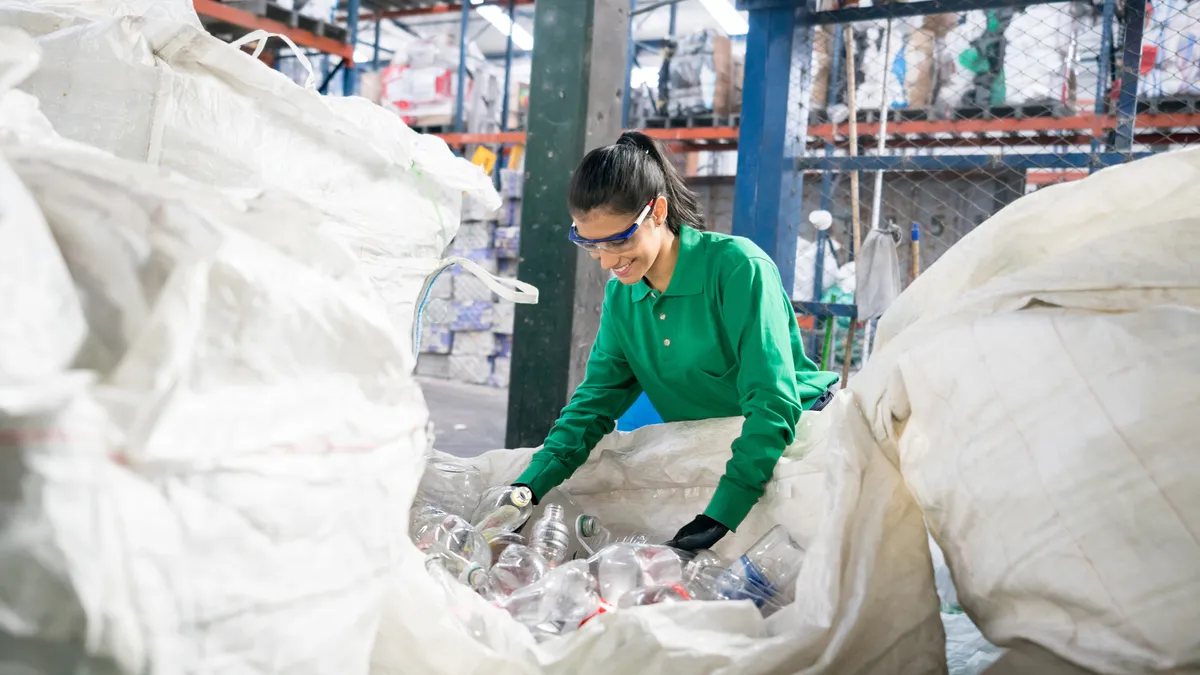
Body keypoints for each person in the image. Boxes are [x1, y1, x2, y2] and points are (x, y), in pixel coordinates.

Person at [513, 131, 839, 552]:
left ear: (658, 212)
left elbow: (771, 402)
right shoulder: (624, 295)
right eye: (590, 245)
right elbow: (593, 404)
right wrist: (527, 487)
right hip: (715, 447)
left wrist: (723, 510)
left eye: (620, 240)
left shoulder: (737, 268)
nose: (608, 261)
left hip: (793, 442)